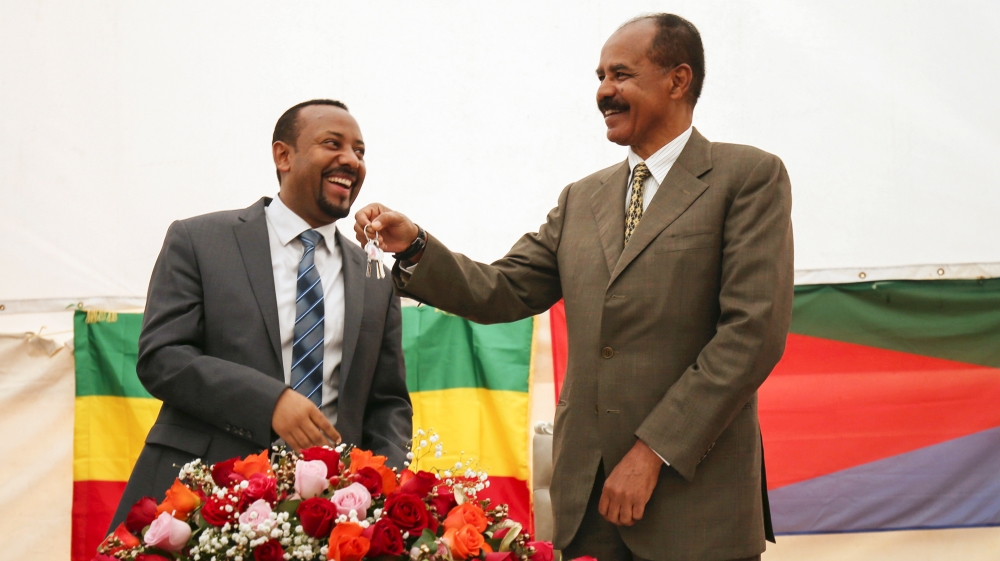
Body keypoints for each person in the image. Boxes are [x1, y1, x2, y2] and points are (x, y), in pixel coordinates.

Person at [355, 14, 792, 561]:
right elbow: (502, 289)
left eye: (621, 74)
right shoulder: (581, 199)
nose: (603, 91)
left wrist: (651, 452)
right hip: (588, 508)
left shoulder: (747, 176)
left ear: (679, 80)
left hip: (695, 503)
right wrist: (416, 245)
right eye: (600, 76)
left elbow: (751, 336)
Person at [109, 99, 412, 530]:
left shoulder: (375, 273)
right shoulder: (199, 240)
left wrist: (381, 490)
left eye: (360, 151)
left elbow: (388, 403)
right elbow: (162, 358)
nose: (351, 159)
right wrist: (269, 401)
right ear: (283, 155)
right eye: (333, 144)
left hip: (327, 521)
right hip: (201, 506)